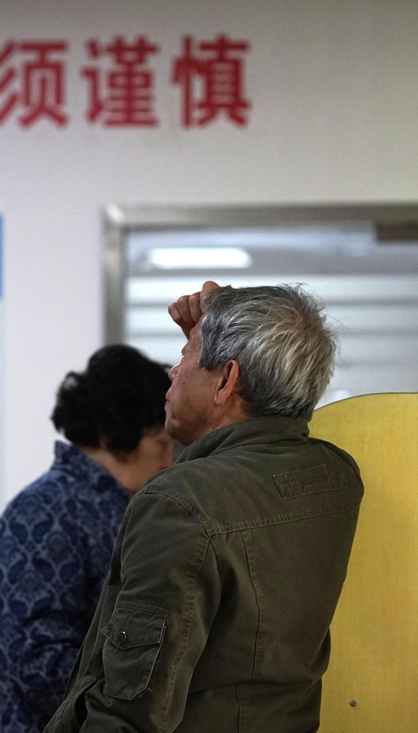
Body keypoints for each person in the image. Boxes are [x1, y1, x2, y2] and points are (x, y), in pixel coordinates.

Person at [44, 282, 364, 733]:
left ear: (228, 379)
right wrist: (227, 319)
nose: (173, 373)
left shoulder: (181, 501)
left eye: (186, 355)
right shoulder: (334, 478)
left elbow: (132, 710)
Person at [0, 345, 175, 733]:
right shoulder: (44, 512)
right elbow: (37, 667)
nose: (169, 461)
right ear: (111, 435)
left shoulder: (114, 509)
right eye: (161, 445)